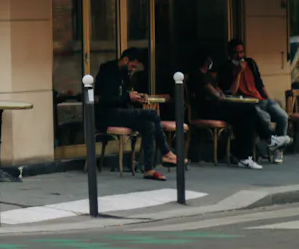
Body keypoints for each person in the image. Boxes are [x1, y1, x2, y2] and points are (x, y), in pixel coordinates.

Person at [189, 52, 290, 169]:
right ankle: (269, 139)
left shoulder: (208, 76)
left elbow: (219, 91)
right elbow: (217, 95)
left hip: (218, 107)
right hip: (208, 111)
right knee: (249, 109)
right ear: (206, 62)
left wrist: (220, 93)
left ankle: (244, 157)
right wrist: (221, 94)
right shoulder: (197, 76)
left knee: (247, 118)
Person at [96, 48, 178, 181]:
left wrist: (137, 97)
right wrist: (128, 97)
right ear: (125, 59)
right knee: (152, 114)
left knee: (148, 125)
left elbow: (125, 96)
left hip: (121, 113)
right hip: (107, 114)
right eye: (132, 65)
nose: (133, 69)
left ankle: (149, 169)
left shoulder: (125, 74)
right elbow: (105, 99)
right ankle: (166, 152)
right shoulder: (108, 72)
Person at [217, 39, 293, 163]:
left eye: (242, 52)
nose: (240, 56)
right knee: (265, 117)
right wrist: (239, 73)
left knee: (282, 116)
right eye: (236, 53)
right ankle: (262, 151)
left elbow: (259, 84)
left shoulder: (250, 63)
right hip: (247, 103)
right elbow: (232, 91)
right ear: (230, 54)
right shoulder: (226, 68)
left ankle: (278, 150)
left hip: (261, 98)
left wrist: (269, 99)